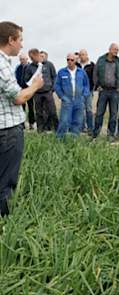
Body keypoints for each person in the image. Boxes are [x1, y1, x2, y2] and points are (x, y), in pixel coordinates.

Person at [0, 21, 44, 217]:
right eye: (20, 39)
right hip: (8, 129)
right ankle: (6, 222)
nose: (22, 45)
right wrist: (35, 85)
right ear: (10, 40)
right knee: (6, 179)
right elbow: (18, 97)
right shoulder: (2, 64)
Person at [93, 43, 119, 141]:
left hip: (115, 92)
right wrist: (98, 85)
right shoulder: (101, 60)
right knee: (99, 113)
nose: (116, 51)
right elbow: (95, 73)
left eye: (117, 50)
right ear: (109, 49)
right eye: (114, 49)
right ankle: (96, 134)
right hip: (103, 91)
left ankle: (111, 134)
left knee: (113, 114)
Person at [54, 53, 90, 138]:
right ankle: (59, 140)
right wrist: (62, 96)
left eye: (72, 60)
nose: (69, 61)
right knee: (64, 121)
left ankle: (74, 139)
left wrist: (83, 96)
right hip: (67, 101)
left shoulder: (81, 72)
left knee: (77, 121)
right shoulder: (61, 72)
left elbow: (86, 85)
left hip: (79, 101)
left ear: (76, 61)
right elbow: (57, 85)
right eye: (68, 59)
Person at [24, 48, 59, 132]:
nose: (31, 59)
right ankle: (40, 130)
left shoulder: (49, 64)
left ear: (37, 55)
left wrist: (52, 88)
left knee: (52, 111)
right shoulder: (30, 67)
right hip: (37, 93)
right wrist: (33, 88)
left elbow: (54, 76)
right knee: (39, 113)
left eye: (32, 57)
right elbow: (26, 80)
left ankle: (57, 129)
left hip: (48, 92)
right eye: (30, 58)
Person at [77, 49, 95, 135]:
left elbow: (95, 77)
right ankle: (82, 127)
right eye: (80, 55)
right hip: (78, 91)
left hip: (88, 91)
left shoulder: (92, 65)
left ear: (87, 55)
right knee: (80, 109)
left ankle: (90, 127)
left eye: (83, 54)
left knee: (89, 109)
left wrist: (93, 87)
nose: (82, 56)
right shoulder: (76, 65)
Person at [15, 53, 36, 129]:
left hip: (29, 90)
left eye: (23, 59)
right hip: (21, 90)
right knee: (21, 108)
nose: (22, 61)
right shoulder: (18, 68)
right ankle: (22, 124)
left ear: (27, 59)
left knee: (30, 107)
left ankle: (32, 123)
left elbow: (33, 79)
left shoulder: (31, 67)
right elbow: (16, 78)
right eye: (21, 59)